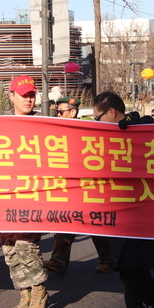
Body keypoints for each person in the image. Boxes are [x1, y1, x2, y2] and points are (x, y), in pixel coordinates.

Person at [92, 91, 154, 308]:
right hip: (118, 209)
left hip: (143, 210)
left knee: (132, 264)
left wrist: (136, 124)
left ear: (112, 112)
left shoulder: (140, 129)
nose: (96, 122)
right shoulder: (103, 138)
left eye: (98, 117)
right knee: (127, 266)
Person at [43, 96, 112, 275]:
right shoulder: (56, 130)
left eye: (61, 112)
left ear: (73, 112)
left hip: (89, 186)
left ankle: (107, 259)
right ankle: (59, 261)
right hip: (68, 185)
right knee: (64, 221)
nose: (58, 115)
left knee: (95, 223)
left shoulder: (89, 128)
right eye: (57, 112)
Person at [0, 75, 49, 308]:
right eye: (23, 95)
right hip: (4, 195)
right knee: (9, 247)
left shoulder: (44, 124)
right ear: (11, 96)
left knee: (25, 244)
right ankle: (24, 295)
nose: (28, 100)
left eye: (32, 95)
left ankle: (39, 291)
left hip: (32, 195)